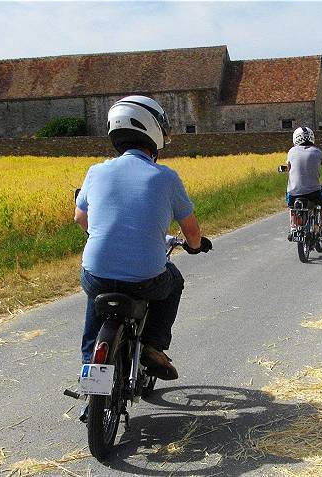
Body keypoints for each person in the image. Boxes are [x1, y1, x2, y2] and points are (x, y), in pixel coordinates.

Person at [74, 95, 212, 383]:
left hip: (96, 273)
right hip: (145, 279)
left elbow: (80, 218)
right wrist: (196, 247)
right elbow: (192, 233)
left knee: (96, 287)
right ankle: (152, 345)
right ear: (153, 131)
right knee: (173, 281)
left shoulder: (96, 171)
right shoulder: (165, 177)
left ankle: (90, 371)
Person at [285, 126, 322, 239]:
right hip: (313, 193)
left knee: (292, 206)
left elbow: (289, 169)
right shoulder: (317, 152)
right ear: (312, 138)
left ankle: (293, 228)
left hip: (293, 193)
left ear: (295, 138)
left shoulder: (291, 152)